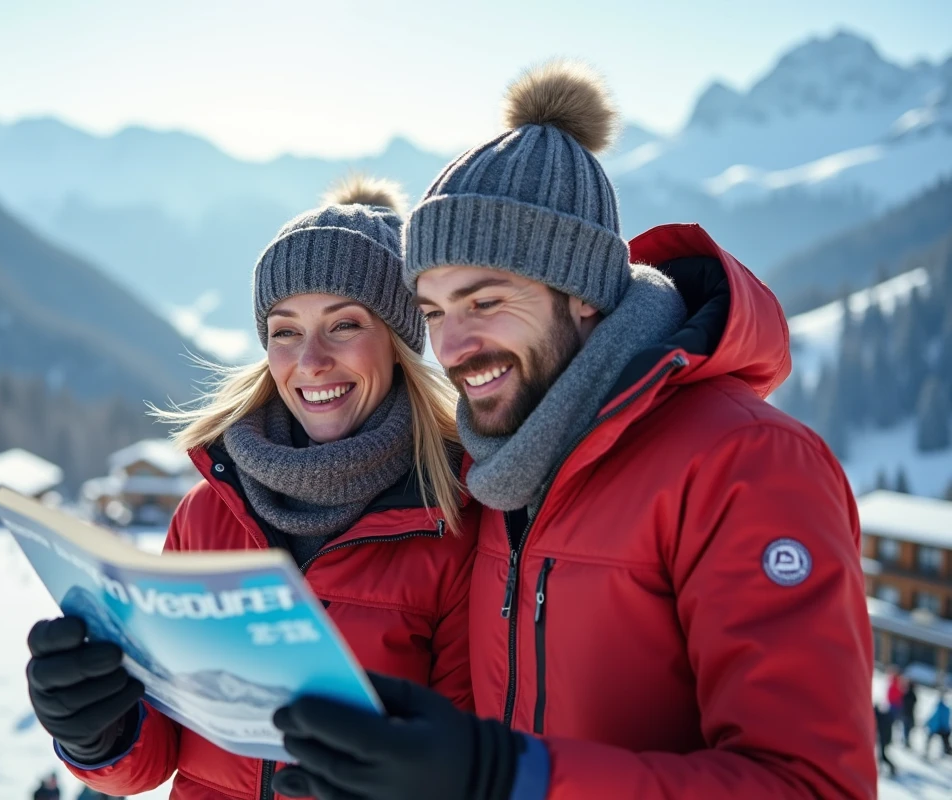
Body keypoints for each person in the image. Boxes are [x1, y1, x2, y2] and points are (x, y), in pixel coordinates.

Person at [268, 60, 875, 800]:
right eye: (433, 311)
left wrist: (506, 777)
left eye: (485, 300)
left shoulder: (746, 465)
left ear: (583, 293)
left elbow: (815, 787)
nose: (453, 348)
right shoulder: (497, 473)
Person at [24, 176, 479, 798]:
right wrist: (97, 730)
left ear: (399, 344)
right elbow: (157, 754)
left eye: (344, 325)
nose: (310, 361)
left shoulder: (454, 518)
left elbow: (471, 758)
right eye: (285, 330)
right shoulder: (209, 512)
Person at [926, 692, 952, 758]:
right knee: (945, 741)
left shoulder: (939, 708)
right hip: (944, 729)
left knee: (930, 738)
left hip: (938, 728)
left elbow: (935, 718)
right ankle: (947, 750)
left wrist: (928, 723)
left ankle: (927, 750)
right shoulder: (946, 709)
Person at [875, 701, 897, 778]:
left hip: (884, 739)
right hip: (885, 739)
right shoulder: (885, 717)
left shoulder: (880, 718)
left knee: (882, 756)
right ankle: (880, 769)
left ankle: (891, 767)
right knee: (881, 755)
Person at [901, 677, 918, 747]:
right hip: (910, 713)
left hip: (906, 713)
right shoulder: (913, 695)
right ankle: (906, 740)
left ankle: (906, 739)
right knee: (908, 727)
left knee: (906, 727)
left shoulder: (907, 693)